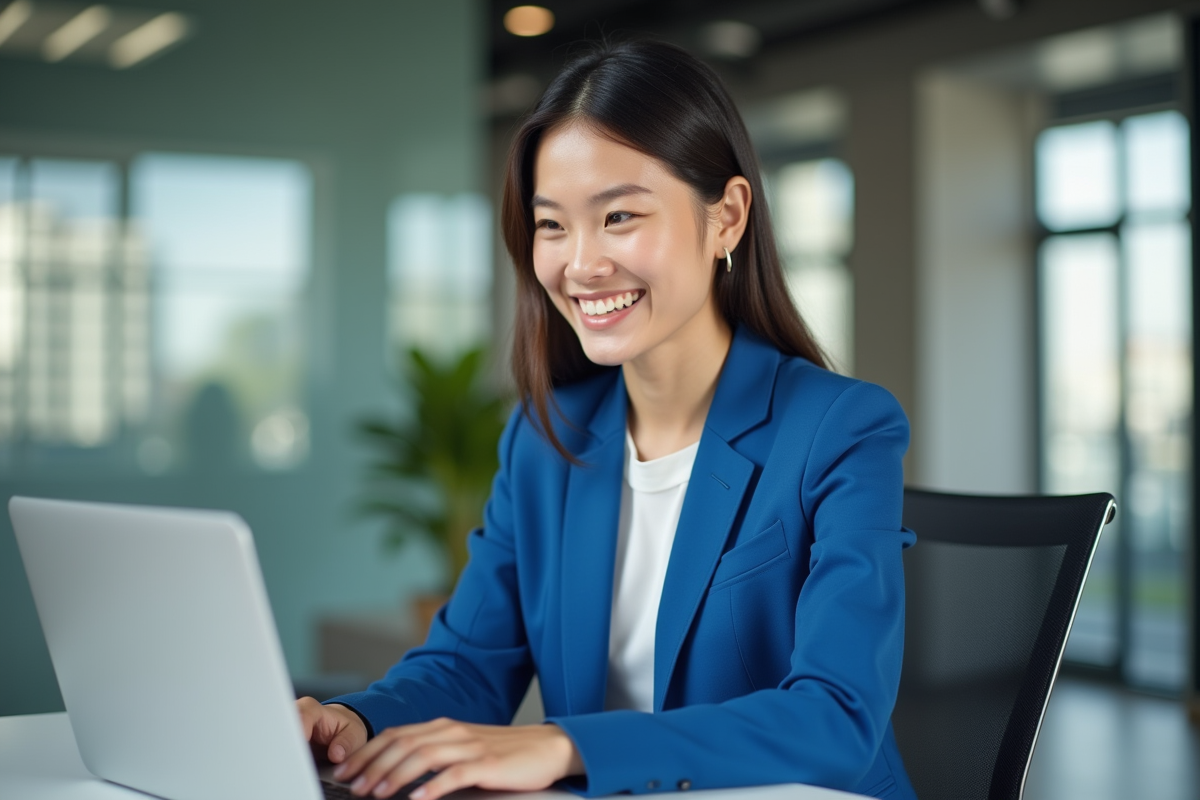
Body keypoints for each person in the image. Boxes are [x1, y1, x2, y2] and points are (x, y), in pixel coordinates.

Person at [297, 39, 917, 800]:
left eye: (619, 215)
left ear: (725, 218)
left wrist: (565, 745)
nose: (580, 264)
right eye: (552, 225)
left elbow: (837, 718)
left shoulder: (840, 429)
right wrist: (356, 721)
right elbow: (467, 665)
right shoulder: (545, 438)